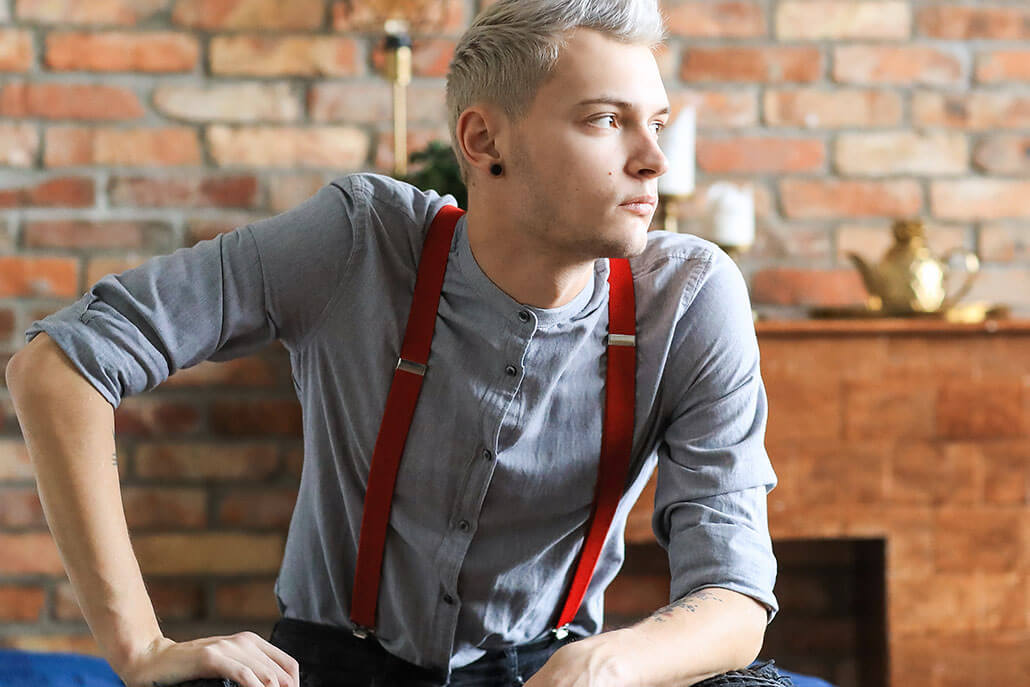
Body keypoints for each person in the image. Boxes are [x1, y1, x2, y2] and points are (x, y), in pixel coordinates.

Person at [6, 1, 787, 686]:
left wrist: (611, 662)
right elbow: (59, 365)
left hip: (554, 670)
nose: (652, 158)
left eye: (655, 123)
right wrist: (140, 646)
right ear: (484, 141)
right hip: (329, 662)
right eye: (606, 120)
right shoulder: (359, 241)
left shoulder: (690, 299)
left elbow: (735, 596)